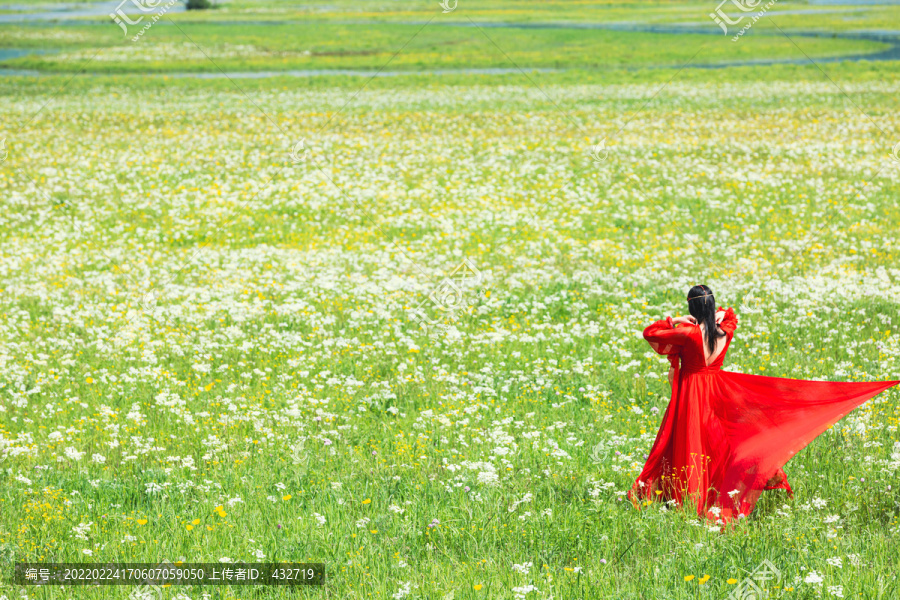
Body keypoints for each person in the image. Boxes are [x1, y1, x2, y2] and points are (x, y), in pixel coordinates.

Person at [628, 284, 899, 526]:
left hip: (692, 392)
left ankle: (687, 498)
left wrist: (674, 319)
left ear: (691, 308)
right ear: (712, 306)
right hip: (716, 390)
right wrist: (717, 316)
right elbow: (731, 317)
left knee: (687, 440)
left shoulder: (688, 333)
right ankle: (710, 492)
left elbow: (650, 332)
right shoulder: (725, 332)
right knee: (714, 442)